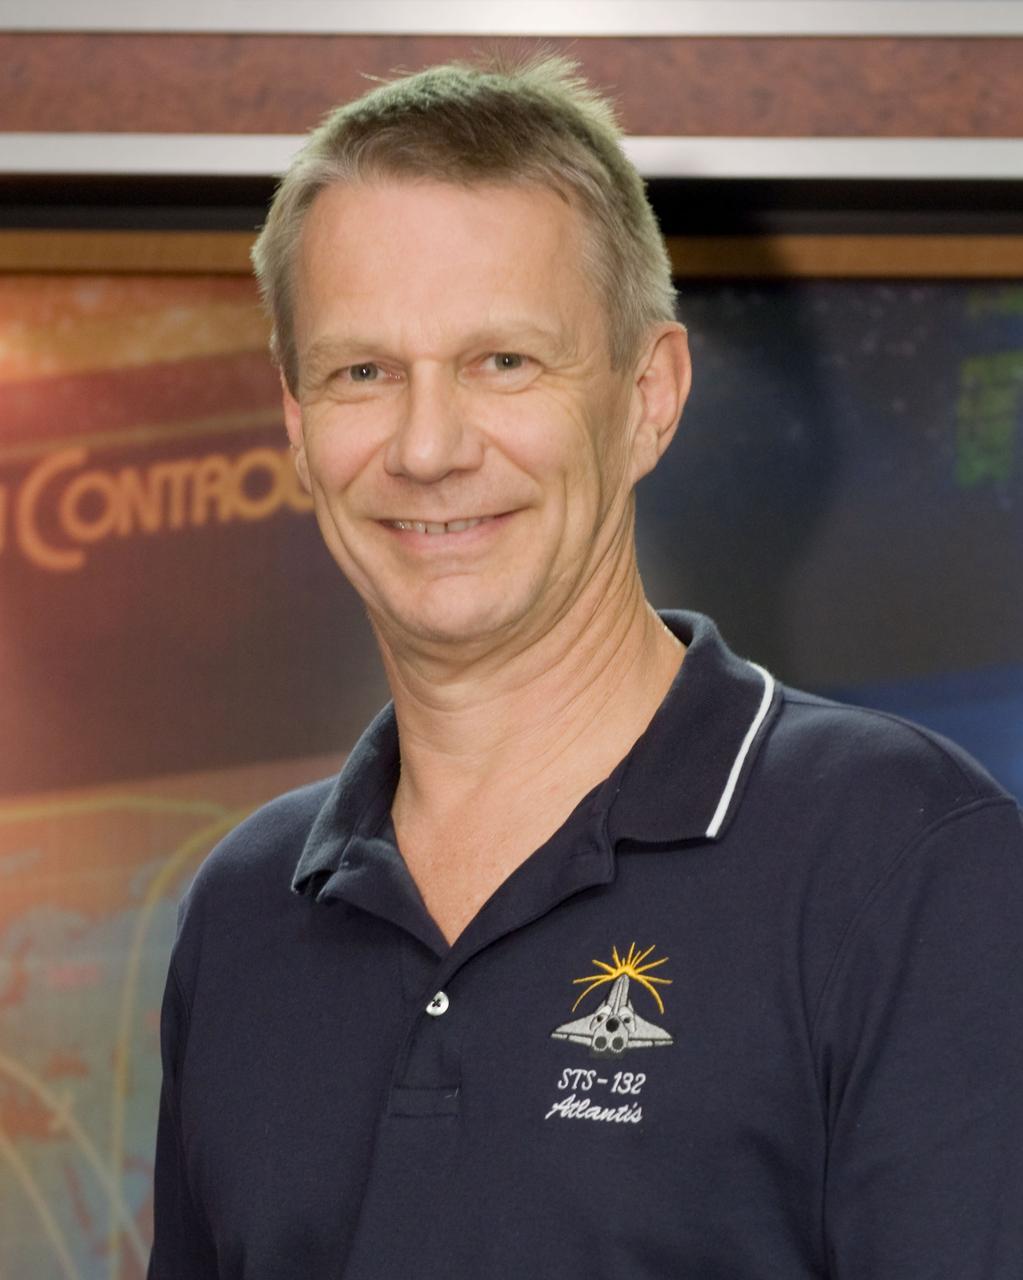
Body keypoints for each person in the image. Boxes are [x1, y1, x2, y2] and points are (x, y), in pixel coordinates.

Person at [148, 55, 1023, 1279]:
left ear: (647, 397)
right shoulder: (242, 912)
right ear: (297, 425)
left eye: (504, 360)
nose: (429, 444)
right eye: (364, 371)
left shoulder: (906, 860)